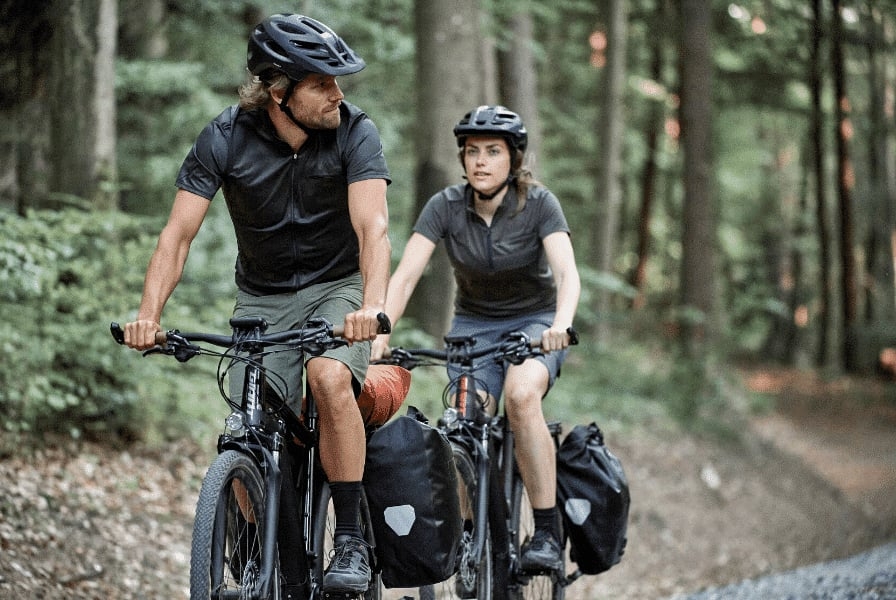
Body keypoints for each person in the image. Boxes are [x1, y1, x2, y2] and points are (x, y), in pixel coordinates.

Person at [123, 14, 391, 596]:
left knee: (326, 375)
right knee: (247, 423)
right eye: (323, 83)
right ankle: (257, 561)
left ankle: (348, 538)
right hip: (261, 298)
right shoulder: (224, 136)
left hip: (336, 289)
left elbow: (374, 230)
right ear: (278, 91)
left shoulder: (355, 132)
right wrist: (150, 315)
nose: (338, 95)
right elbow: (177, 235)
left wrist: (371, 308)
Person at [371, 105, 581, 572]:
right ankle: (467, 531)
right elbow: (405, 277)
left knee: (522, 396)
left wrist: (559, 325)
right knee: (462, 417)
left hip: (534, 321)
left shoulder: (539, 204)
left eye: (492, 152)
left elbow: (567, 273)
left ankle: (546, 531)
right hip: (472, 328)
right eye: (471, 152)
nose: (480, 161)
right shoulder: (445, 206)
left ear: (514, 160)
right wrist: (381, 332)